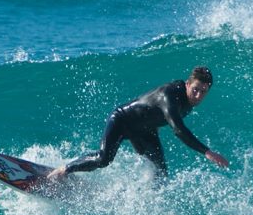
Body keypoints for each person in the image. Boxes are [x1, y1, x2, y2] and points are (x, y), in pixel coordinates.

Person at [49, 65, 229, 180]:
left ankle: (151, 199)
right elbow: (178, 129)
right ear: (188, 84)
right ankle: (64, 170)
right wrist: (207, 152)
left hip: (145, 130)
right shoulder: (170, 95)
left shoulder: (190, 100)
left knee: (161, 171)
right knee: (104, 159)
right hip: (122, 120)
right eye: (195, 89)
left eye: (203, 92)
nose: (198, 95)